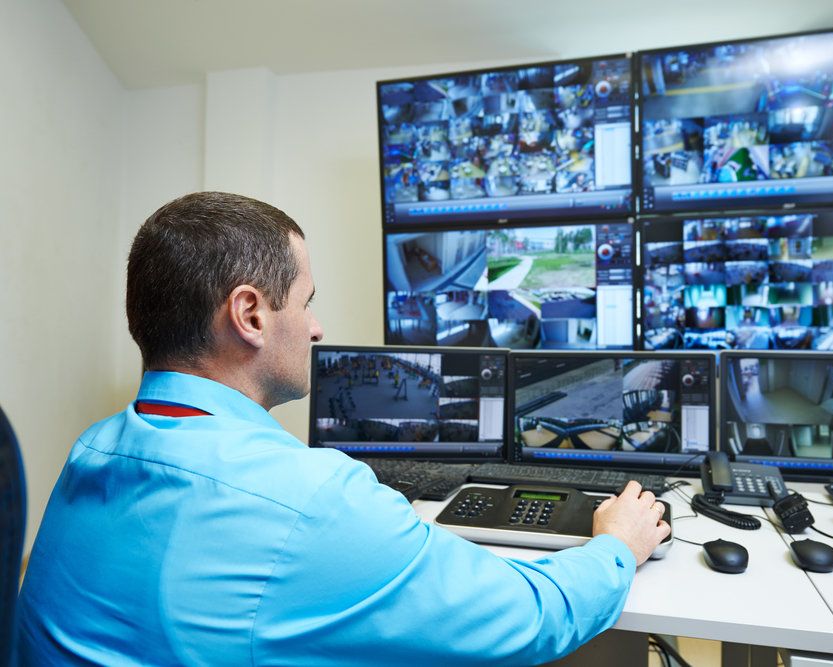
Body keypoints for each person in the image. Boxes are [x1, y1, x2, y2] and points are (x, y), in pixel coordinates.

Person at [16, 192, 669, 665]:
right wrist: (618, 543)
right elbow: (528, 618)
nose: (318, 327)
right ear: (249, 313)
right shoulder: (311, 498)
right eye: (307, 302)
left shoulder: (90, 449)